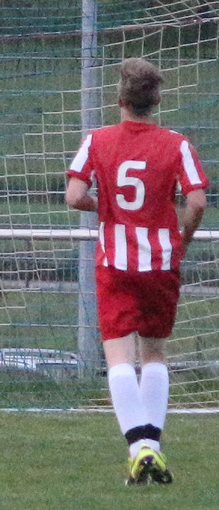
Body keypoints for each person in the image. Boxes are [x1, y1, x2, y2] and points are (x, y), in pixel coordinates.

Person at [65, 58, 208, 486]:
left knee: (119, 357)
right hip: (161, 261)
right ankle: (153, 447)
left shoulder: (98, 140)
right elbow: (197, 201)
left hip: (115, 262)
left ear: (120, 100)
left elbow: (73, 195)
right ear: (157, 100)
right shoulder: (177, 144)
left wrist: (103, 206)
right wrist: (182, 237)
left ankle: (137, 448)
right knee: (155, 354)